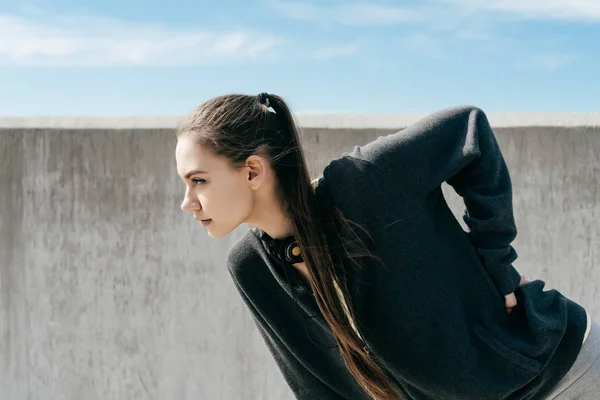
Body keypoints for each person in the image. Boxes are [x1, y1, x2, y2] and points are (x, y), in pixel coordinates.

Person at [174, 93, 597, 399]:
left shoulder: (361, 181)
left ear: (251, 171)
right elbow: (316, 386)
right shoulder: (250, 266)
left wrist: (498, 272)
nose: (187, 202)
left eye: (198, 180)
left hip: (558, 370)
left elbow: (469, 129)